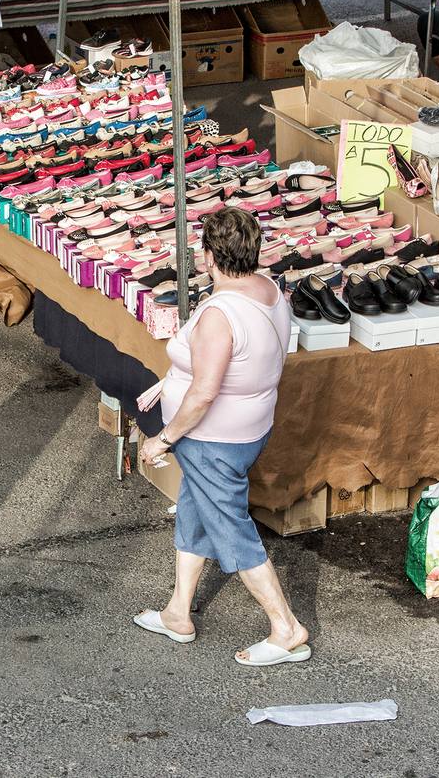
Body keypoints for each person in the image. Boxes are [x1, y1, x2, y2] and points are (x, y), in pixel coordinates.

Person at [134, 208, 309, 668]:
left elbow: (205, 392)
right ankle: (178, 611)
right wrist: (171, 378)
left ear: (208, 256)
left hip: (214, 440)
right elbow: (228, 364)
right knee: (195, 508)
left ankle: (286, 626)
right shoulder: (268, 289)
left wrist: (163, 439)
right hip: (249, 428)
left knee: (231, 528)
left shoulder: (219, 313)